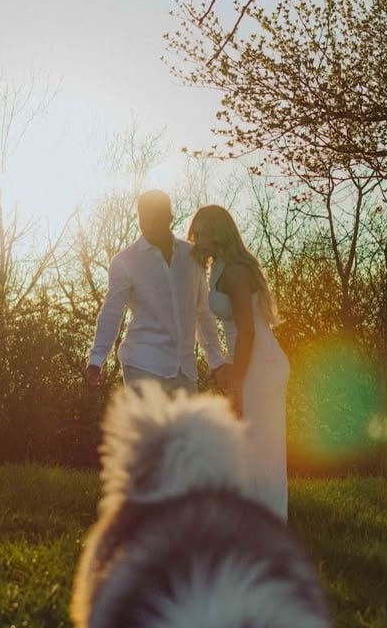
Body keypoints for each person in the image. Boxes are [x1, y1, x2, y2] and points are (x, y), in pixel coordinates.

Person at [188, 204, 290, 520]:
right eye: (196, 233)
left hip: (260, 363)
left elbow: (246, 329)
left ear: (219, 233)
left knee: (262, 452)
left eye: (203, 232)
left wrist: (236, 380)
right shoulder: (218, 266)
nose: (197, 239)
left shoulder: (233, 272)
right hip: (253, 360)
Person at [84, 190, 229, 395]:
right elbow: (112, 312)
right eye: (144, 217)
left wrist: (216, 360)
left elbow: (203, 311)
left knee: (189, 428)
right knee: (149, 429)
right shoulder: (125, 261)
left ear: (169, 218)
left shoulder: (192, 256)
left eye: (156, 217)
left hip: (185, 370)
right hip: (143, 365)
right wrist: (97, 359)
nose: (149, 224)